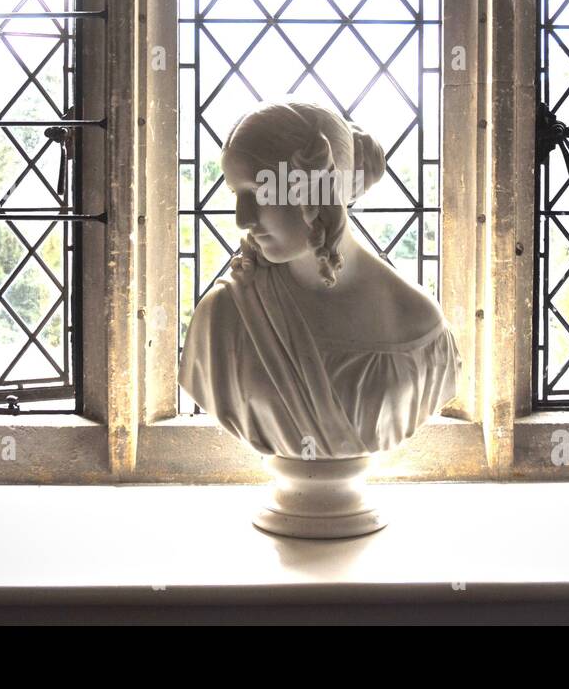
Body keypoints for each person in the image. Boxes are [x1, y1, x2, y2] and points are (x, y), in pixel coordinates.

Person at [179, 98, 460, 459]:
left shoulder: (420, 327)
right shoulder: (223, 318)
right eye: (236, 194)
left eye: (260, 192)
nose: (242, 219)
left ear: (320, 189)